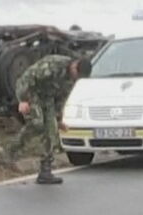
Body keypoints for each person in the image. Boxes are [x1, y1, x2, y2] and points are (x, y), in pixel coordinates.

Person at [5, 54, 92, 184]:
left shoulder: (71, 79)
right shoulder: (54, 64)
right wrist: (23, 100)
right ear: (74, 66)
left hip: (48, 98)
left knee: (51, 131)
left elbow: (61, 99)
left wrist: (58, 120)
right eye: (76, 74)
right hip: (32, 92)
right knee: (37, 123)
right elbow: (27, 78)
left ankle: (45, 172)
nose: (75, 78)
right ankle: (11, 151)